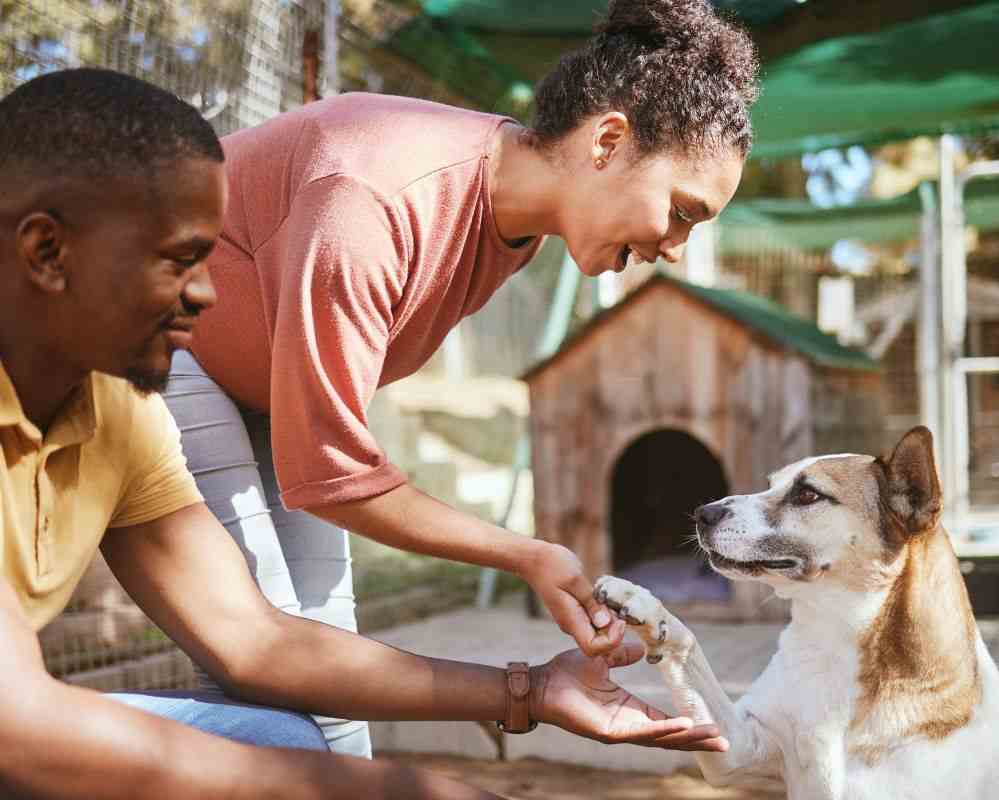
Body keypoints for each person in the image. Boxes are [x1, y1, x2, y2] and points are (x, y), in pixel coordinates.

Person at [0, 68, 726, 800]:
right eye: (181, 260)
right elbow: (17, 731)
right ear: (47, 253)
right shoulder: (367, 195)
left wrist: (530, 693)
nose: (211, 291)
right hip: (20, 718)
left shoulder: (115, 415)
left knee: (289, 732)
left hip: (248, 401)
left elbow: (257, 643)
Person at [174, 0, 761, 756]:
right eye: (681, 212)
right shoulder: (371, 199)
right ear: (608, 141)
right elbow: (328, 474)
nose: (676, 246)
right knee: (274, 678)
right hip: (169, 354)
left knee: (327, 685)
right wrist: (525, 553)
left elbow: (319, 463)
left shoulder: (515, 223)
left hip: (261, 395)